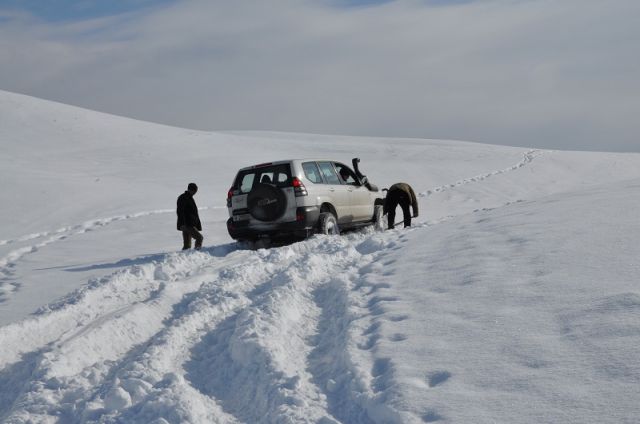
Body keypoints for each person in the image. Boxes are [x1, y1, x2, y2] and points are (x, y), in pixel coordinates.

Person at [177, 183, 203, 250]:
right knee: (199, 238)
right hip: (187, 224)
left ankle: (185, 258)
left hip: (189, 224)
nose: (195, 192)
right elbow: (180, 211)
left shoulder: (189, 197)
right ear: (191, 190)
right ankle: (196, 253)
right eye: (195, 191)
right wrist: (182, 224)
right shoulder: (183, 198)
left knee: (187, 245)